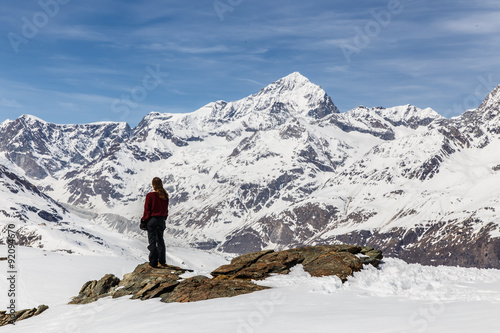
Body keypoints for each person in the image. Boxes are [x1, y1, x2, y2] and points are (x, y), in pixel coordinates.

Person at [141, 177, 169, 268]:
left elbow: (147, 210)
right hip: (161, 220)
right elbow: (165, 209)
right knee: (160, 240)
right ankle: (162, 260)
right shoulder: (165, 195)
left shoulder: (150, 196)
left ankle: (153, 261)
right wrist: (164, 218)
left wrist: (144, 220)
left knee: (152, 241)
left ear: (153, 185)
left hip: (152, 220)